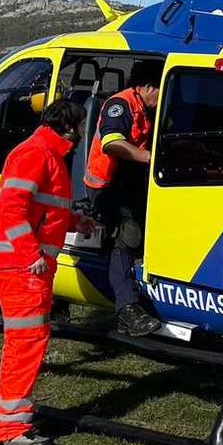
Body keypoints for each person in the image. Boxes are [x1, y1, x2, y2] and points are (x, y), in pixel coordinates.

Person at [0, 100, 91, 445]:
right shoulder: (36, 153)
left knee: (29, 342)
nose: (85, 131)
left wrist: (76, 223)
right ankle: (10, 431)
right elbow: (12, 207)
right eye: (83, 124)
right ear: (70, 125)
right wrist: (32, 256)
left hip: (25, 266)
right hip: (20, 267)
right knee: (24, 344)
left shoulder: (50, 155)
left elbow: (44, 211)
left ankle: (14, 422)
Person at [84, 60, 163, 336]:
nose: (161, 97)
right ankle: (127, 309)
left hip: (128, 183)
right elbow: (112, 143)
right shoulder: (121, 104)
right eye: (159, 90)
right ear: (147, 87)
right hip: (105, 185)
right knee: (127, 236)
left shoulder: (147, 108)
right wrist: (150, 158)